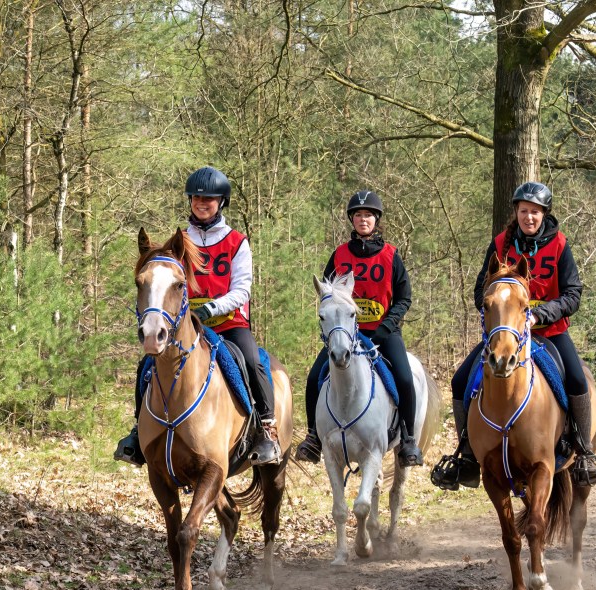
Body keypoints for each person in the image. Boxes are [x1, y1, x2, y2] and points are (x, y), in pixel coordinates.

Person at [432, 181, 596, 489]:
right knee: (460, 381)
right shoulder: (501, 243)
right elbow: (480, 289)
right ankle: (467, 455)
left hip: (549, 332)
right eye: (524, 211)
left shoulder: (559, 244)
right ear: (516, 212)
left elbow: (573, 294)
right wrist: (497, 309)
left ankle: (584, 451)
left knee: (578, 381)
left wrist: (539, 314)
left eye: (535, 212)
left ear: (544, 214)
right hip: (505, 334)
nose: (529, 217)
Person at [114, 166, 281, 466]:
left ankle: (266, 428)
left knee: (251, 360)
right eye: (196, 198)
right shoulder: (178, 242)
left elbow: (242, 290)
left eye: (209, 199)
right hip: (185, 327)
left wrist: (211, 308)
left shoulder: (237, 242)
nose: (202, 203)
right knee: (146, 366)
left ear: (221, 202)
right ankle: (139, 431)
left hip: (229, 324)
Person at [295, 190, 423, 467]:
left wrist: (387, 326)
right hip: (345, 334)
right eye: (358, 215)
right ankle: (313, 437)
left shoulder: (391, 255)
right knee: (314, 377)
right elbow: (326, 296)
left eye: (368, 215)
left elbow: (404, 298)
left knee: (404, 377)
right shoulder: (339, 254)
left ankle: (408, 438)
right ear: (351, 220)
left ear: (376, 220)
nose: (363, 219)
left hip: (382, 332)